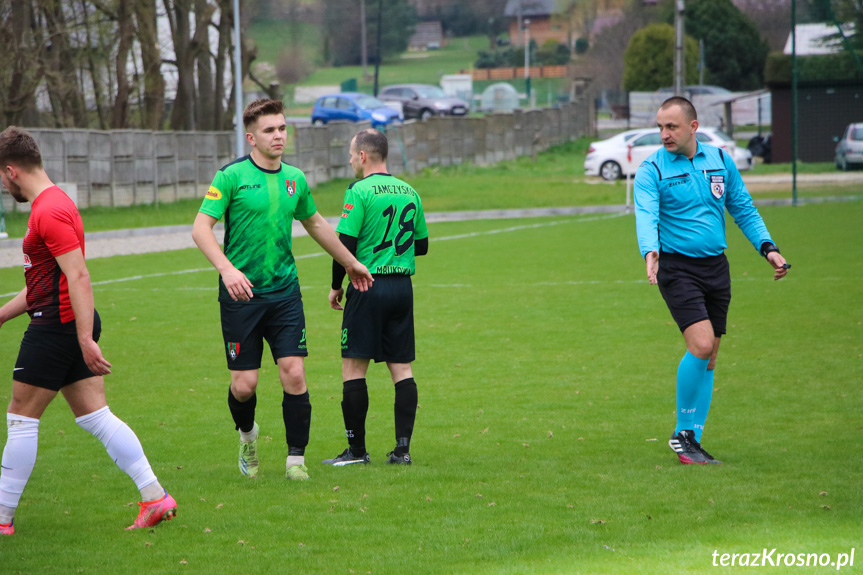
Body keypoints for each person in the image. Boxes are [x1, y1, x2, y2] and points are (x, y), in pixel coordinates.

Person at [0, 127, 176, 534]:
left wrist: (84, 339)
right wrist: (4, 314)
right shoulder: (53, 203)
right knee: (95, 416)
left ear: (12, 170)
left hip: (57, 327)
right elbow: (43, 283)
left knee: (21, 418)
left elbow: (78, 276)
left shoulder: (48, 210)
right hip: (62, 322)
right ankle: (155, 497)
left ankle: (3, 518)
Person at [192, 99, 373, 481]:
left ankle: (295, 461)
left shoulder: (295, 179)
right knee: (245, 386)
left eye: (282, 128)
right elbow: (200, 229)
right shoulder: (230, 176)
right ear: (251, 137)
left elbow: (318, 225)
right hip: (241, 297)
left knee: (294, 374)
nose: (278, 136)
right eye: (270, 130)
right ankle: (247, 435)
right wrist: (227, 270)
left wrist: (349, 262)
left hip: (285, 293)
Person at [633, 97, 790, 465]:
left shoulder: (719, 161)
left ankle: (693, 443)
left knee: (711, 355)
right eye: (659, 127)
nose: (663, 134)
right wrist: (650, 250)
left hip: (716, 268)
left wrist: (768, 247)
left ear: (693, 126)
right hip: (676, 268)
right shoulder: (651, 169)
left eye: (671, 126)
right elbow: (645, 213)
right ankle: (682, 433)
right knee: (701, 345)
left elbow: (743, 207)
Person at [323, 128, 428, 467]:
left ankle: (356, 452)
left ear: (364, 156)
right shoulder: (410, 190)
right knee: (402, 369)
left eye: (352, 154)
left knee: (353, 368)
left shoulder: (359, 191)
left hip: (367, 287)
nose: (351, 159)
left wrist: (337, 285)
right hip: (402, 288)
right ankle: (402, 450)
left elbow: (345, 245)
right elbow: (422, 245)